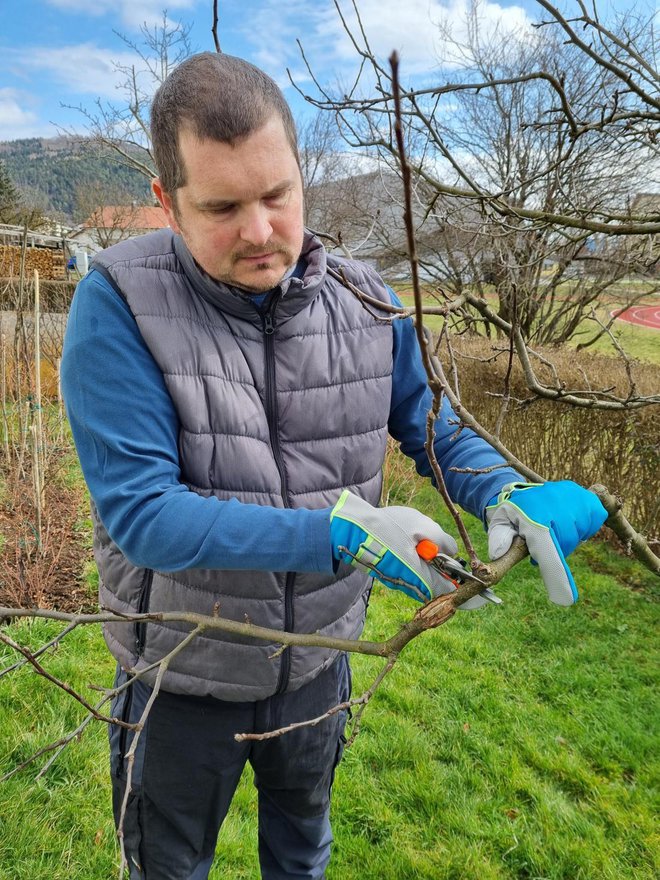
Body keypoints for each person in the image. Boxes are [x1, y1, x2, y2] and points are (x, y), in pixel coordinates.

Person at [61, 52, 607, 880]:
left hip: (319, 664)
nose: (260, 230)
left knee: (302, 854)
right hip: (181, 676)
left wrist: (507, 489)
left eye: (277, 195)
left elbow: (434, 429)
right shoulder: (118, 304)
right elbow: (145, 516)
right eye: (223, 206)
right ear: (166, 204)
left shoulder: (363, 299)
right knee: (167, 869)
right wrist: (342, 533)